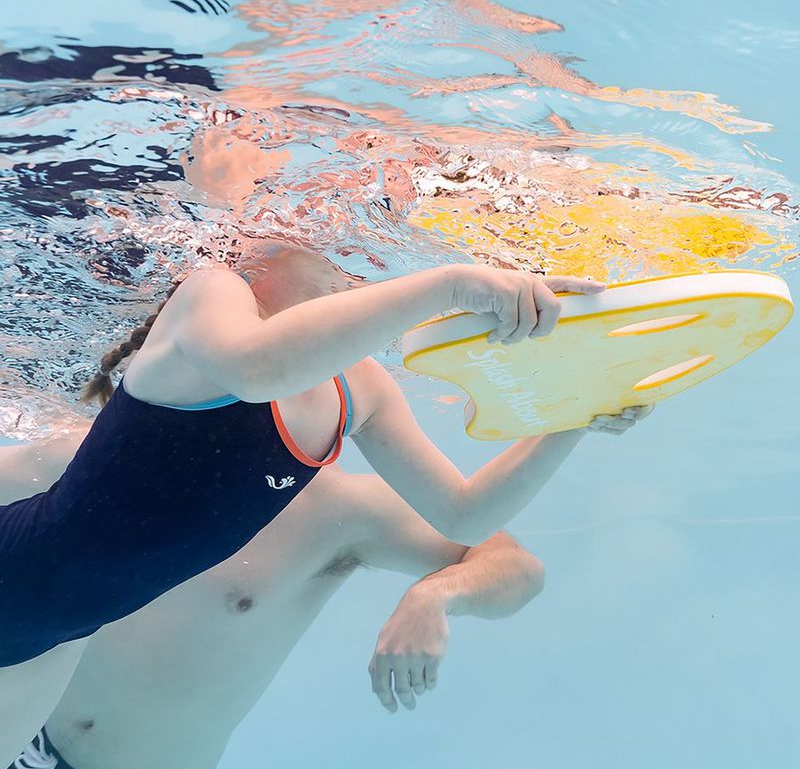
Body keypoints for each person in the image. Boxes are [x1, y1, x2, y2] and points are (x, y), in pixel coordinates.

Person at [0, 238, 650, 765]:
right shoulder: (210, 292)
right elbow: (259, 370)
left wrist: (573, 417)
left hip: (51, 636)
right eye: (319, 240)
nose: (352, 257)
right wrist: (452, 284)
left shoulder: (356, 387)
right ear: (256, 245)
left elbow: (465, 515)